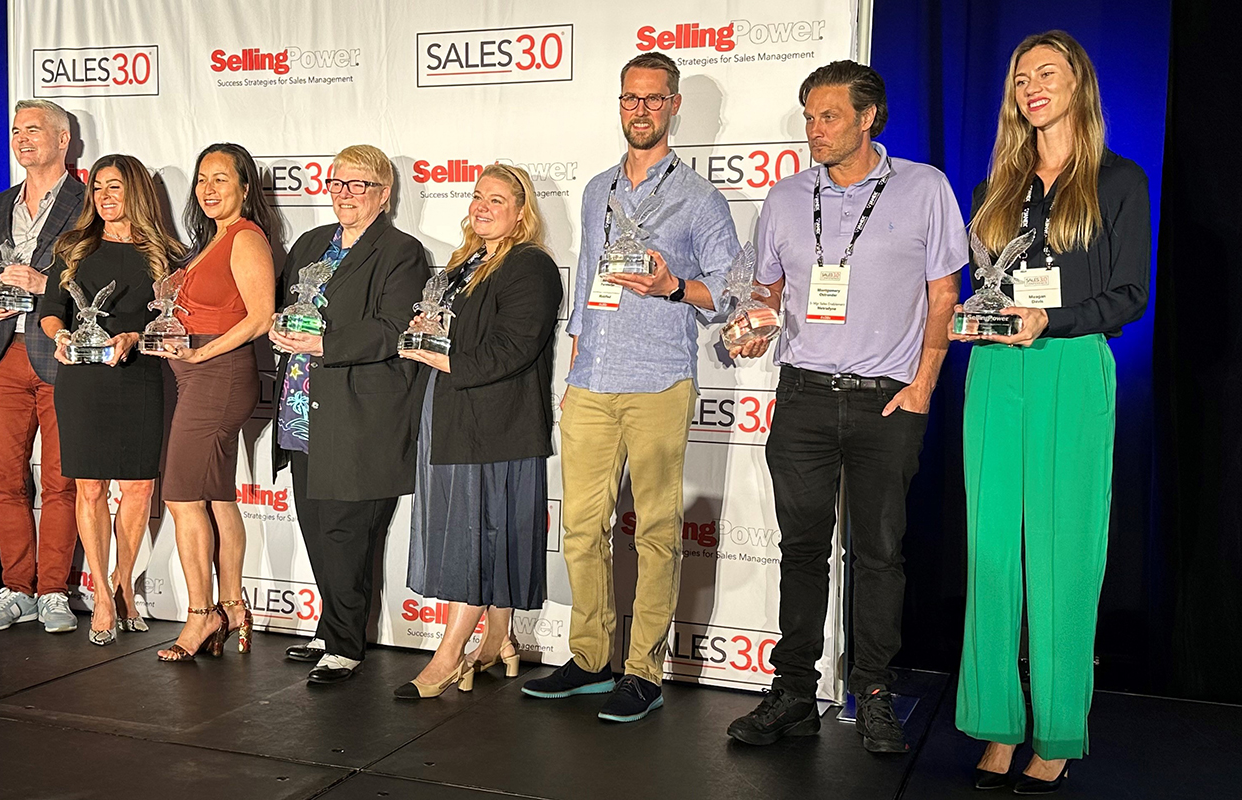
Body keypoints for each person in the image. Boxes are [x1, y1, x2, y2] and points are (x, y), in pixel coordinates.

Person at [724, 61, 964, 753]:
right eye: (807, 117)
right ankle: (793, 694)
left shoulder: (924, 188)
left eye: (828, 116)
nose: (814, 130)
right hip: (801, 396)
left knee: (880, 556)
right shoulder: (786, 196)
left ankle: (876, 694)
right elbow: (765, 289)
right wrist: (754, 323)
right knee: (801, 552)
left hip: (886, 402)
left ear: (868, 117)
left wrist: (923, 385)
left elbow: (944, 296)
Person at [951, 31, 1148, 794]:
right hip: (997, 372)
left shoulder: (1118, 181)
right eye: (1022, 76)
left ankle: (1058, 730)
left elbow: (1131, 295)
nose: (1033, 86)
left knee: (1065, 556)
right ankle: (996, 724)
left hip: (1070, 367)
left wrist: (1052, 321)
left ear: (1078, 85)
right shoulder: (995, 188)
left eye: (1048, 73)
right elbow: (985, 286)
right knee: (992, 551)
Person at [520, 51, 737, 723]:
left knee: (657, 534)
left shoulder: (700, 198)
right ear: (620, 105)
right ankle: (589, 658)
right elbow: (588, 278)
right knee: (581, 529)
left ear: (674, 106)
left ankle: (642, 671)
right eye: (629, 99)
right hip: (591, 381)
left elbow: (731, 292)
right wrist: (574, 364)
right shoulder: (596, 189)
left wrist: (673, 284)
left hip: (658, 383)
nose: (639, 109)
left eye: (653, 99)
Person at [393, 164, 562, 699]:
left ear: (520, 212)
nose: (482, 206)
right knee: (480, 534)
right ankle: (498, 642)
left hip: (496, 427)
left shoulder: (530, 266)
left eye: (497, 199)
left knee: (481, 539)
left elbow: (515, 349)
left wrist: (440, 359)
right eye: (477, 196)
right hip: (454, 418)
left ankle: (447, 656)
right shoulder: (466, 265)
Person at [268, 144, 428, 684]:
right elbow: (289, 306)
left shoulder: (401, 253)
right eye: (337, 183)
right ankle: (333, 627)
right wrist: (279, 330)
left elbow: (393, 329)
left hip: (359, 415)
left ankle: (346, 643)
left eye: (358, 185)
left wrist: (322, 344)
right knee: (317, 526)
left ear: (384, 194)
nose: (344, 194)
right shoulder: (312, 243)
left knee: (347, 531)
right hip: (301, 409)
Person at [38, 154, 180, 646]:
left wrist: (135, 337)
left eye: (114, 186)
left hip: (140, 377)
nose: (104, 196)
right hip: (82, 379)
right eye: (97, 187)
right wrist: (58, 337)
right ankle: (100, 593)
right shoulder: (74, 247)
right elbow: (50, 309)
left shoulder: (165, 254)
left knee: (138, 489)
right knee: (91, 489)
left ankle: (125, 586)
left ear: (135, 192)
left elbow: (174, 321)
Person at [148, 143, 276, 662]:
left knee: (180, 498)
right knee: (217, 496)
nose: (208, 189)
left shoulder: (245, 238)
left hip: (216, 377)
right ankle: (232, 606)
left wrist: (202, 355)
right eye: (202, 179)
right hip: (197, 376)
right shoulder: (212, 240)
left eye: (220, 179)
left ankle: (201, 616)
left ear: (245, 188)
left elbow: (260, 317)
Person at [0, 99, 87, 635]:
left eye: (33, 129)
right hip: (2, 354)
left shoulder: (88, 202)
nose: (22, 138)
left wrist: (48, 288)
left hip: (59, 352)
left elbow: (106, 274)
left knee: (62, 482)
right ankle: (16, 587)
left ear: (63, 140)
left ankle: (54, 591)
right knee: (2, 479)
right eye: (16, 129)